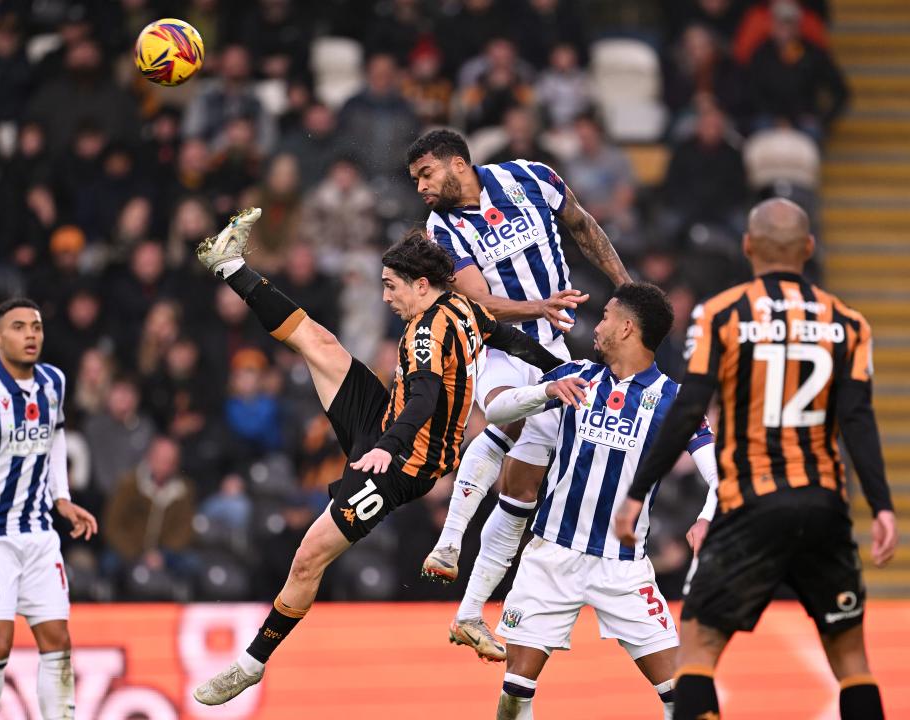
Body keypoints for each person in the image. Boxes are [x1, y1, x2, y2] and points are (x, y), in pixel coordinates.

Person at [191, 209, 567, 705]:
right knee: (319, 342)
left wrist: (384, 451)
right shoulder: (459, 307)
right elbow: (505, 336)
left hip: (400, 469)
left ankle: (252, 663)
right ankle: (229, 265)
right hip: (384, 425)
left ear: (422, 284)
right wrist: (563, 365)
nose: (386, 297)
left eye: (392, 287)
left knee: (308, 559)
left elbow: (425, 398)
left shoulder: (425, 334)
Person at [615, 199, 899, 720]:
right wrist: (881, 506)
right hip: (822, 502)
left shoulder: (720, 314)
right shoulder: (849, 323)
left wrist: (638, 493)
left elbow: (690, 410)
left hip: (749, 502)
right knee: (853, 660)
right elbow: (858, 420)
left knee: (697, 652)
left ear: (748, 248)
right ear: (808, 249)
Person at [408, 128, 631, 660]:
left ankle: (468, 614)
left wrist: (625, 286)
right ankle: (449, 540)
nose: (420, 188)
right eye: (415, 179)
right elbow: (481, 303)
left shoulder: (530, 177)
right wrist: (539, 306)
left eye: (426, 174)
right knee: (505, 411)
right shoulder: (441, 229)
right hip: (495, 344)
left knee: (522, 490)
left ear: (457, 164)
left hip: (549, 344)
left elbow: (581, 223)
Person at [482, 283, 717, 720]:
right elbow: (496, 411)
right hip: (550, 555)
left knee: (681, 695)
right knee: (516, 691)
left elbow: (719, 473)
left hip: (622, 567)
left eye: (607, 316)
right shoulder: (578, 376)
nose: (599, 325)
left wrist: (706, 516)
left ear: (627, 327)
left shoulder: (675, 401)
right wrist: (545, 393)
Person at [0, 297, 98, 720]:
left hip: (38, 534)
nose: (30, 334)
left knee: (58, 642)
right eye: (18, 327)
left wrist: (61, 497)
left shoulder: (54, 382)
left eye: (36, 326)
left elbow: (55, 439)